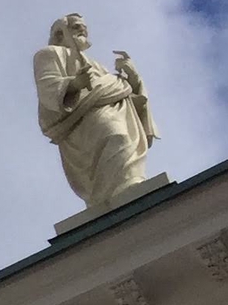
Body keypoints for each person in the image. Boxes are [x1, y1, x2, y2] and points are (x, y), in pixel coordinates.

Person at [34, 12, 157, 215]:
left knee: (123, 139)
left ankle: (127, 185)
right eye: (75, 26)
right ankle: (122, 188)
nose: (83, 29)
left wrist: (133, 78)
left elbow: (123, 93)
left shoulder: (97, 65)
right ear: (59, 33)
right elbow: (48, 86)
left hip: (116, 111)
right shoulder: (49, 54)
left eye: (84, 26)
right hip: (87, 120)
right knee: (117, 137)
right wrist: (74, 83)